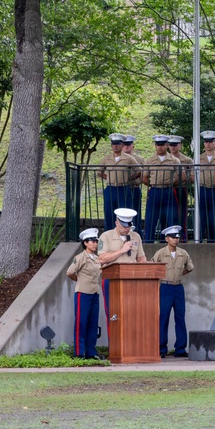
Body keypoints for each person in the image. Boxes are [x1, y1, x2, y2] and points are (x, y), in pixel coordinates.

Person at [97, 208, 147, 327]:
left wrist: (146, 269)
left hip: (132, 279)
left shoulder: (136, 236)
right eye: (124, 225)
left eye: (129, 226)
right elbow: (102, 259)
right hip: (112, 279)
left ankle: (130, 343)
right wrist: (121, 250)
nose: (127, 228)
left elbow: (141, 258)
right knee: (113, 313)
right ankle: (114, 344)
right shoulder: (105, 236)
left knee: (132, 313)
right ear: (117, 222)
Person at [152, 225, 194, 358]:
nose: (176, 240)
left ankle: (180, 348)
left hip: (178, 287)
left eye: (177, 237)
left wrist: (178, 275)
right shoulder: (160, 253)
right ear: (166, 239)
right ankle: (161, 348)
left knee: (180, 317)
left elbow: (189, 268)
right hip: (165, 287)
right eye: (172, 237)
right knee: (163, 317)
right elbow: (153, 268)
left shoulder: (183, 253)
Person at [67, 227, 103, 360]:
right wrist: (79, 280)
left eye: (96, 241)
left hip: (94, 293)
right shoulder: (80, 257)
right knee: (81, 323)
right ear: (85, 243)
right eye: (92, 241)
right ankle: (79, 352)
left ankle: (90, 352)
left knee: (93, 323)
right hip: (83, 293)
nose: (95, 243)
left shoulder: (95, 258)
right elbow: (70, 272)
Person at [96, 133, 139, 231]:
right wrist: (110, 178)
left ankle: (126, 233)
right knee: (109, 213)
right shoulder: (106, 158)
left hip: (123, 188)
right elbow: (99, 172)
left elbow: (139, 170)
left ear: (122, 145)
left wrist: (129, 179)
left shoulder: (129, 158)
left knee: (125, 213)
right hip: (110, 188)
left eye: (118, 144)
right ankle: (109, 234)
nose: (115, 146)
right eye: (113, 144)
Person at [143, 134, 181, 241]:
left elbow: (180, 177)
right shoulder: (150, 160)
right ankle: (148, 243)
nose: (160, 147)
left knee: (170, 219)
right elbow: (144, 177)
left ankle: (170, 243)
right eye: (158, 144)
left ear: (167, 145)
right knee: (151, 219)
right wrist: (153, 184)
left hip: (168, 191)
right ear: (155, 145)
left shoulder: (174, 160)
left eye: (162, 144)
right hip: (155, 190)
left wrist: (171, 183)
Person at [167, 135, 194, 241]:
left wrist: (182, 180)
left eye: (175, 145)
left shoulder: (186, 160)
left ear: (180, 145)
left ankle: (182, 238)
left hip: (180, 189)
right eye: (171, 145)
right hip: (168, 189)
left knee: (181, 214)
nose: (173, 147)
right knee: (168, 214)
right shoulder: (166, 158)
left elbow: (191, 175)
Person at [121, 134, 144, 229]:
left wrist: (135, 181)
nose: (126, 147)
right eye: (124, 144)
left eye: (128, 144)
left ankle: (137, 232)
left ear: (132, 146)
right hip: (120, 188)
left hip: (134, 188)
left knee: (135, 212)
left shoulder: (139, 159)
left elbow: (144, 173)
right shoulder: (118, 158)